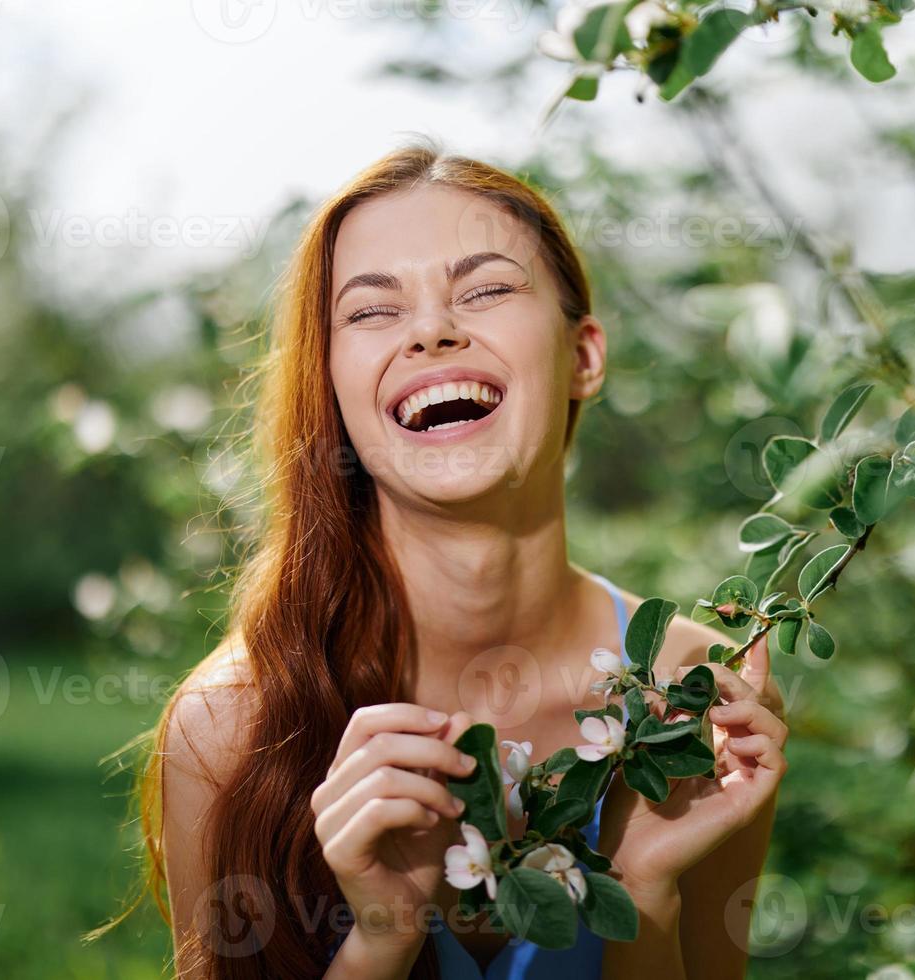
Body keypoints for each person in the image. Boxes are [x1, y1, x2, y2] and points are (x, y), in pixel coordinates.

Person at [147, 142, 788, 979]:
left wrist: (643, 893)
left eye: (484, 290)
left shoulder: (699, 700)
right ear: (333, 384)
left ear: (584, 356)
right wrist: (379, 938)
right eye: (372, 312)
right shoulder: (228, 727)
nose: (432, 330)